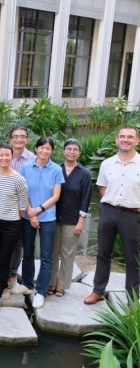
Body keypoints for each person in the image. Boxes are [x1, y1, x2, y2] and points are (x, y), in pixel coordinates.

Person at [85, 126, 140, 305]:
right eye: (122, 136)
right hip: (109, 212)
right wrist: (113, 200)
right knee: (103, 253)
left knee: (133, 258)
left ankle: (132, 298)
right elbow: (102, 186)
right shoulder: (106, 163)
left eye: (130, 137)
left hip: (133, 215)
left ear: (137, 141)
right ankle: (98, 290)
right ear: (117, 140)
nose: (126, 139)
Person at [16, 137, 64, 309]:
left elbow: (56, 196)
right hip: (28, 216)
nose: (44, 151)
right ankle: (28, 284)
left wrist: (39, 210)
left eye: (48, 148)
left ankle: (41, 291)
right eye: (41, 148)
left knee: (46, 256)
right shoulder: (26, 167)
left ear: (52, 151)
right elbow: (23, 191)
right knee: (27, 252)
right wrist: (31, 212)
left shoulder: (57, 169)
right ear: (35, 149)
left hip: (48, 217)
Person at [0, 126, 37, 285]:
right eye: (15, 136)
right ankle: (1, 270)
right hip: (5, 209)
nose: (19, 139)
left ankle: (12, 274)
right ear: (11, 139)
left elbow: (32, 186)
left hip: (24, 208)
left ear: (27, 140)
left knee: (18, 244)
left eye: (22, 136)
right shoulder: (3, 156)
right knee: (3, 243)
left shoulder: (32, 159)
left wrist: (25, 211)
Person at [0, 143, 28, 315]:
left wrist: (13, 220)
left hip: (11, 224)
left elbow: (23, 206)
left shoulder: (19, 179)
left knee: (4, 259)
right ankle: (3, 287)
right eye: (1, 155)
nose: (4, 158)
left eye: (7, 155)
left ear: (12, 157)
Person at [48, 139, 92, 297]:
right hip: (53, 218)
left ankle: (62, 285)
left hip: (73, 219)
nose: (71, 152)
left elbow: (86, 199)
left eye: (75, 149)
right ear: (63, 151)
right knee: (52, 252)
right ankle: (51, 282)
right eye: (68, 149)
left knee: (68, 253)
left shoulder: (84, 174)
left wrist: (81, 221)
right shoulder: (55, 169)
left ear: (79, 153)